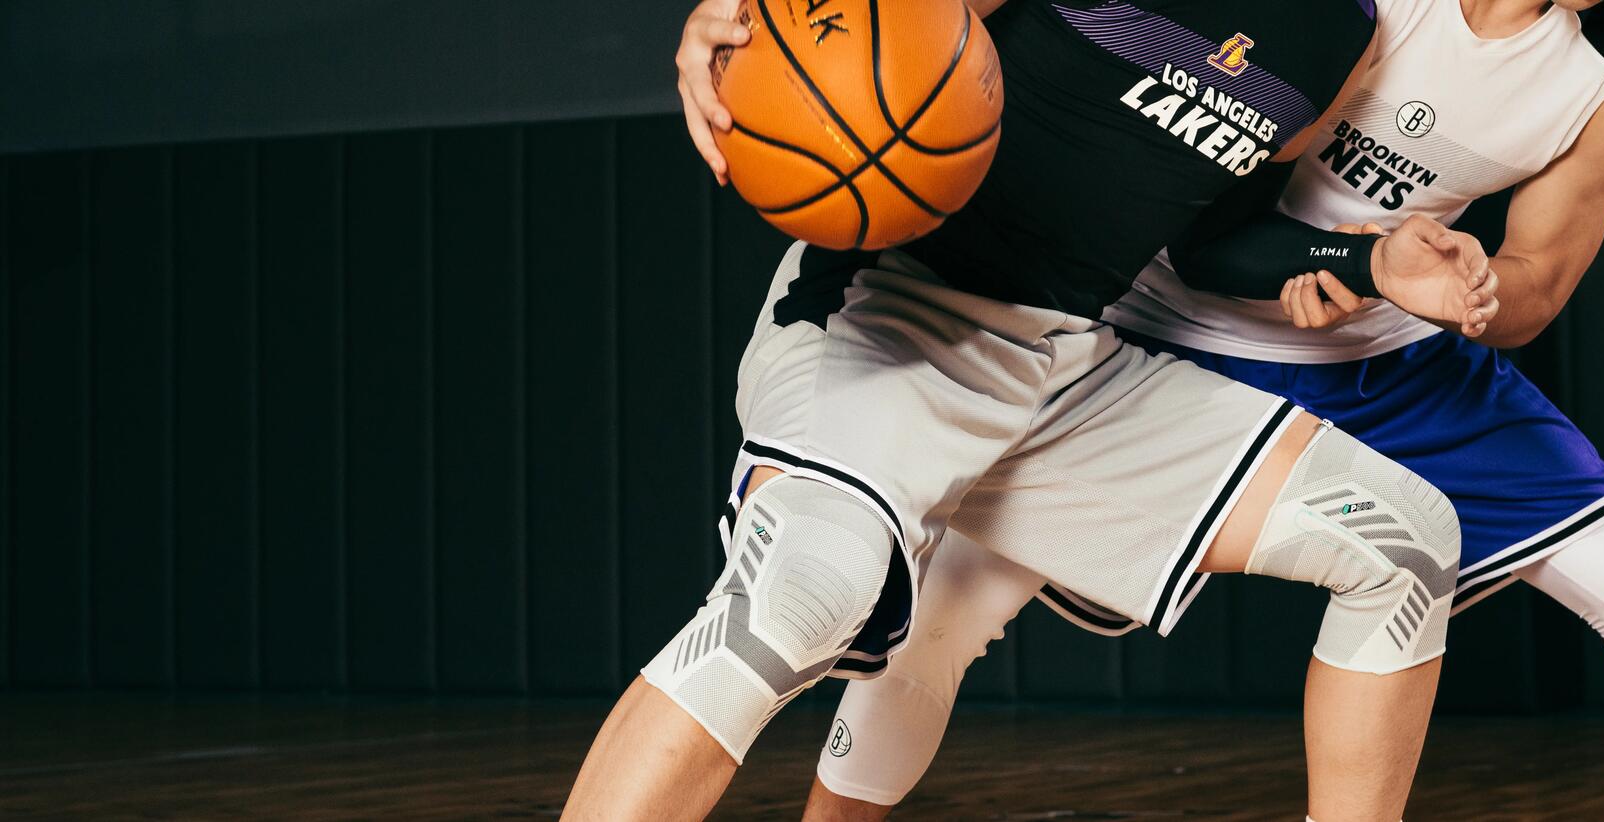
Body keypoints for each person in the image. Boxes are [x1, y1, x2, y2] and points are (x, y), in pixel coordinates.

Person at [804, 0, 1604, 819]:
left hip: (1389, 354)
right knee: (948, 606)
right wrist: (1336, 258)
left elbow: (1538, 283)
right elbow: (1206, 236)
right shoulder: (1364, 8)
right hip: (1176, 328)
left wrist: (1469, 287)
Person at [559, 0, 1504, 819]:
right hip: (888, 308)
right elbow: (848, 33)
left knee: (1402, 540)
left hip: (1060, 360)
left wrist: (1367, 260)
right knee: (804, 595)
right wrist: (734, 36)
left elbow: (1211, 241)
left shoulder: (1340, 34)